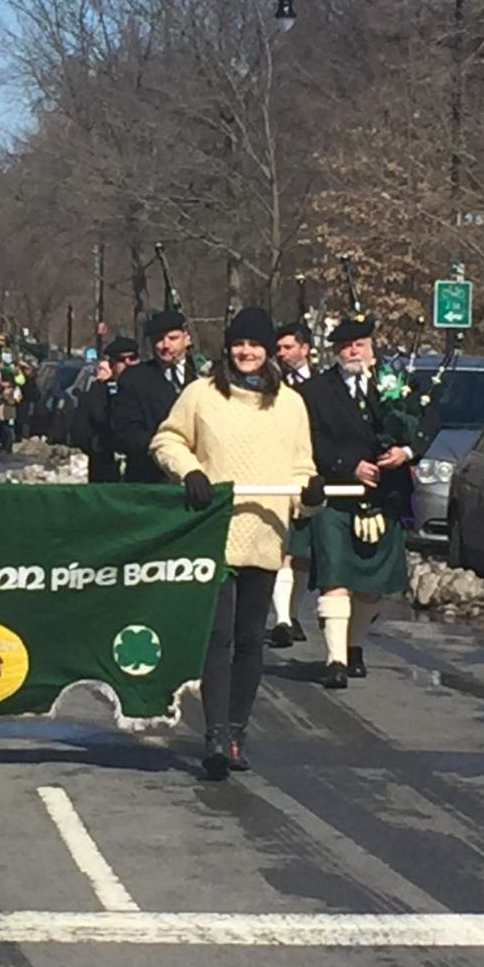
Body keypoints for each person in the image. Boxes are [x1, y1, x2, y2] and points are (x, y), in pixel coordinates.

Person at [152, 307, 321, 780]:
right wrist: (191, 472)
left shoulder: (289, 404)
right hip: (215, 532)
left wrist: (309, 494)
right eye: (238, 344)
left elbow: (301, 466)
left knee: (250, 639)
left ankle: (236, 732)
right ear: (228, 347)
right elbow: (167, 440)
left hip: (265, 532)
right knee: (218, 635)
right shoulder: (202, 395)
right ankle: (213, 735)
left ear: (269, 351)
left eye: (255, 345)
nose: (246, 352)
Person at [297, 316, 419, 690]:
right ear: (336, 350)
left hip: (386, 496)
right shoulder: (316, 391)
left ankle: (353, 648)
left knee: (371, 585)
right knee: (335, 576)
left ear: (371, 346)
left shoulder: (395, 386)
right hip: (337, 495)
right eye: (346, 345)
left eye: (360, 344)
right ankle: (334, 659)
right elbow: (309, 438)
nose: (354, 351)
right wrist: (347, 465)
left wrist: (406, 452)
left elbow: (426, 421)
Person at [270, 321, 316, 647]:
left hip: (310, 473)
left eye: (288, 347)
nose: (282, 354)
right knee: (282, 548)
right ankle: (283, 619)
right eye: (279, 348)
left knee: (302, 553)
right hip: (276, 469)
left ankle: (294, 613)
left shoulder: (325, 384)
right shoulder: (271, 384)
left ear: (305, 348)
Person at [111, 309, 193, 483]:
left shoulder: (205, 377)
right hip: (152, 477)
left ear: (186, 338)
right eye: (159, 340)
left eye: (172, 338)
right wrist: (165, 450)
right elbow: (125, 432)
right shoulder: (135, 379)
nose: (165, 345)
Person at [76, 338, 139, 483]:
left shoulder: (148, 387)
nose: (128, 363)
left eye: (133, 358)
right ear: (112, 364)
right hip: (106, 464)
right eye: (121, 360)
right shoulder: (100, 391)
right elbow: (84, 428)